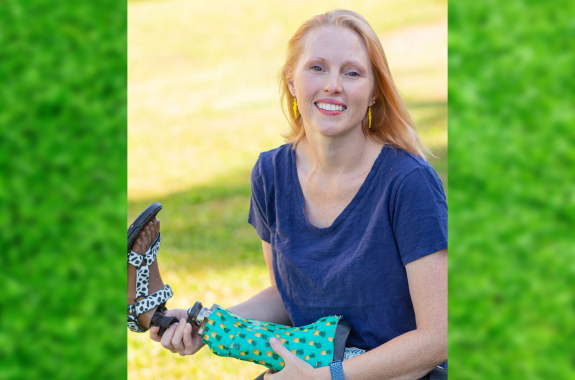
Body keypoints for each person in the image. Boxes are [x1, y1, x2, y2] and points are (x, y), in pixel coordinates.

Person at [137, 9, 447, 380]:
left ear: (374, 92)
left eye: (352, 72)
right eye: (317, 68)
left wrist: (330, 377)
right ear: (291, 81)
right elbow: (289, 296)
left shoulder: (408, 182)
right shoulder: (270, 175)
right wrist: (204, 323)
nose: (333, 85)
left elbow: (437, 338)